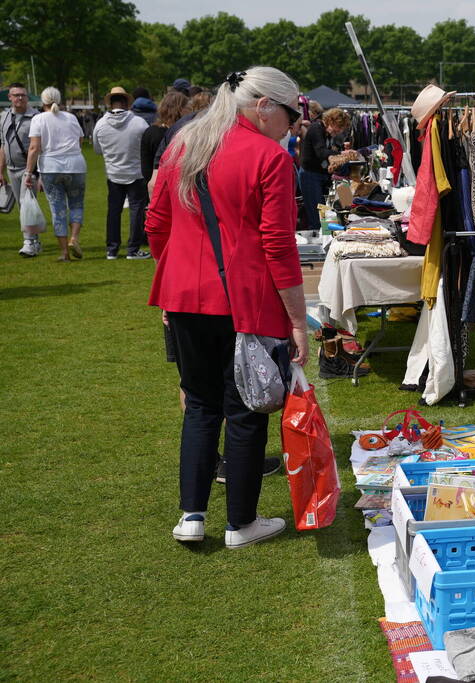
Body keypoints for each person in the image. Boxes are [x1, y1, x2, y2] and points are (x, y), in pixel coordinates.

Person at [146, 66, 307, 548]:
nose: (293, 123)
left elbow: (156, 224)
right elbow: (278, 245)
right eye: (289, 113)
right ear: (263, 106)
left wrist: (174, 277)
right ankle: (241, 522)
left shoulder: (185, 145)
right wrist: (298, 319)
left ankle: (192, 515)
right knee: (245, 412)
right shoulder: (268, 156)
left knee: (199, 406)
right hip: (244, 301)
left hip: (185, 297)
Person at [24, 87, 87, 262]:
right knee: (76, 204)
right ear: (58, 100)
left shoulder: (38, 119)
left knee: (57, 209)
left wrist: (28, 172)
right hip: (76, 165)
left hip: (51, 167)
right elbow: (80, 140)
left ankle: (64, 252)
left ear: (42, 101)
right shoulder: (71, 117)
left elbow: (34, 148)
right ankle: (74, 238)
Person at [93, 86, 151, 260]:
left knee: (114, 211)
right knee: (136, 210)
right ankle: (133, 249)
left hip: (113, 173)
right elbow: (146, 147)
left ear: (110, 103)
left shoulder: (100, 124)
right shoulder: (139, 123)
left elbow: (97, 150)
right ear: (126, 102)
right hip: (135, 172)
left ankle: (112, 249)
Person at [0, 82, 41, 257]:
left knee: (26, 205)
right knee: (21, 206)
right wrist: (0, 170)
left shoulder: (36, 117)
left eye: (23, 95)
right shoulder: (3, 116)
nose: (20, 98)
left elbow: (39, 147)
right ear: (9, 98)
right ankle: (34, 240)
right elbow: (3, 145)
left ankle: (29, 243)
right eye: (16, 95)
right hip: (11, 168)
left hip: (28, 168)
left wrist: (32, 172)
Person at [299, 105, 347, 229]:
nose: (336, 134)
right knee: (317, 214)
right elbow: (321, 152)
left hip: (320, 175)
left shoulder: (326, 132)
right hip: (310, 175)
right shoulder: (316, 128)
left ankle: (326, 235)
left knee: (326, 212)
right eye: (336, 130)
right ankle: (318, 237)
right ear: (330, 121)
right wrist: (341, 154)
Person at [140, 91, 189, 186]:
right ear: (180, 109)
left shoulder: (150, 131)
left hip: (154, 187)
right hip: (166, 188)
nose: (189, 110)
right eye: (187, 107)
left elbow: (145, 169)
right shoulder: (178, 134)